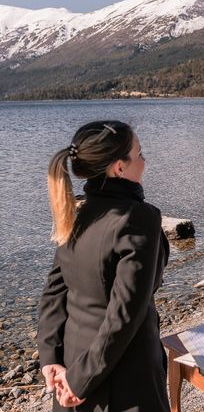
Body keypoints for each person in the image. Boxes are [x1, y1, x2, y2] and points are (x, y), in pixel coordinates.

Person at [38, 121, 170, 412]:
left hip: (71, 368)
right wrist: (79, 381)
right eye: (139, 153)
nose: (145, 161)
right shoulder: (138, 218)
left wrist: (50, 359)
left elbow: (53, 294)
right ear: (119, 168)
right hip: (124, 378)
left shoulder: (76, 210)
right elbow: (125, 313)